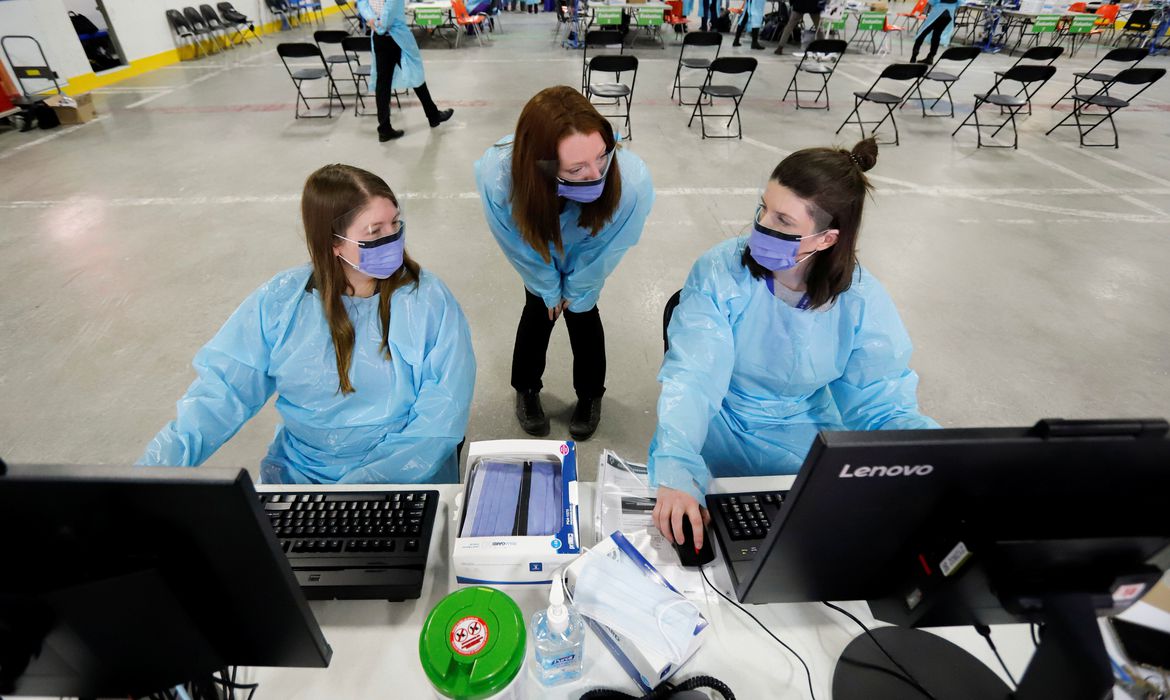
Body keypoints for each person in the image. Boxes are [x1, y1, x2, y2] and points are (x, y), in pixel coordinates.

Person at [648, 139, 939, 550]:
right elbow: (694, 377)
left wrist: (935, 460)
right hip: (718, 424)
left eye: (784, 220)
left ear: (825, 239)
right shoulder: (720, 271)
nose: (762, 226)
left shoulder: (860, 300)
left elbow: (881, 401)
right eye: (763, 208)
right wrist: (678, 466)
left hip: (803, 433)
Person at [139, 164, 476, 484]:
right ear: (333, 243)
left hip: (405, 476)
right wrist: (147, 477)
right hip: (302, 476)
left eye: (395, 223)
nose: (393, 239)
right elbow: (222, 393)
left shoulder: (427, 300)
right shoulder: (281, 303)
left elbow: (441, 414)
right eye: (375, 231)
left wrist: (362, 489)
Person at [474, 86, 654, 441]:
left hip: (588, 254)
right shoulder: (499, 176)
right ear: (541, 164)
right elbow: (516, 243)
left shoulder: (631, 182)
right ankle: (526, 389)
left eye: (601, 156)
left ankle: (590, 396)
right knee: (538, 311)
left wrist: (577, 287)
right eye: (576, 168)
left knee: (584, 316)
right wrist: (546, 287)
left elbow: (608, 248)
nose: (596, 174)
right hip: (537, 250)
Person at [357, 0, 455, 141]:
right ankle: (433, 116)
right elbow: (390, 10)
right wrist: (380, 25)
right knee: (414, 73)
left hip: (380, 37)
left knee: (383, 84)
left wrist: (372, 20)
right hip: (395, 37)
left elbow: (362, 3)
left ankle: (384, 129)